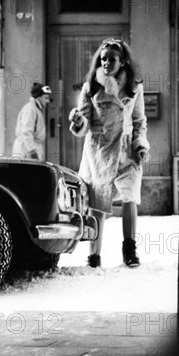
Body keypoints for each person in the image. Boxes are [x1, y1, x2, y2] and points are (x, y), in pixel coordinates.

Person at [69, 38, 149, 268]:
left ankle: (130, 250)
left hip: (126, 150)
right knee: (98, 202)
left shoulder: (134, 87)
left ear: (122, 61)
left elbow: (139, 121)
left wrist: (140, 143)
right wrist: (78, 120)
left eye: (111, 59)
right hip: (100, 151)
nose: (106, 63)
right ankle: (94, 255)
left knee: (130, 197)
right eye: (103, 59)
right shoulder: (91, 87)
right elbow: (83, 124)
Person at [12, 82, 52, 160]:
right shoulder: (30, 110)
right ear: (38, 97)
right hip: (26, 150)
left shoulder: (35, 109)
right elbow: (26, 132)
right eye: (45, 98)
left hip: (31, 147)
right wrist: (32, 152)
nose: (47, 101)